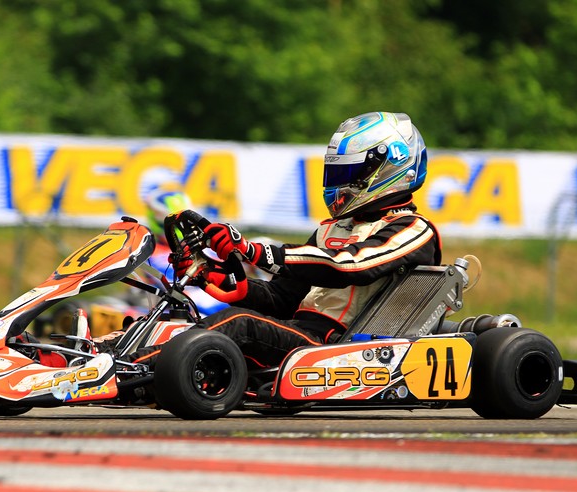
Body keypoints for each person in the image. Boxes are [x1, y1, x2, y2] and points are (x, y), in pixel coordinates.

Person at [119, 111, 442, 369]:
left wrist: (253, 251)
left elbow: (350, 266)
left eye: (349, 175)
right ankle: (98, 357)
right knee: (172, 323)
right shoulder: (334, 228)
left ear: (390, 168)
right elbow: (284, 298)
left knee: (241, 325)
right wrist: (223, 280)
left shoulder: (413, 230)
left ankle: (127, 369)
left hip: (343, 348)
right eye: (336, 174)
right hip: (301, 337)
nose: (338, 185)